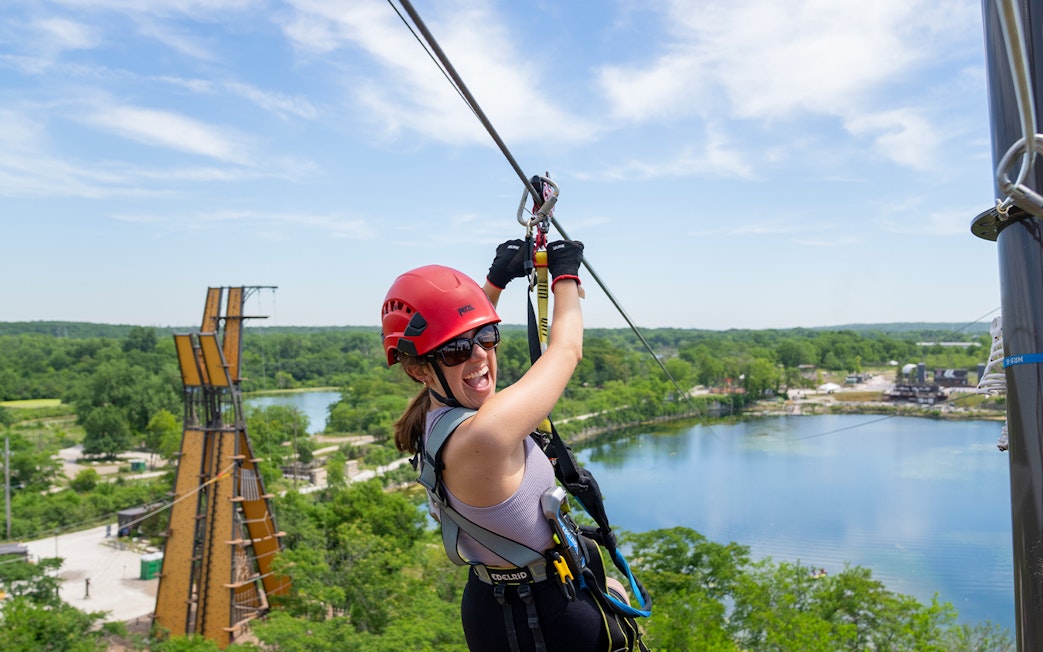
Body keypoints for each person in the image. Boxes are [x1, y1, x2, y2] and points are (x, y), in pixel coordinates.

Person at [383, 239, 631, 651]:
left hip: (502, 604)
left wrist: (494, 281)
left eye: (488, 335)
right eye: (459, 349)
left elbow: (456, 341)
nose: (480, 355)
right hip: (543, 618)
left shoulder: (434, 412)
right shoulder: (483, 435)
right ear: (418, 371)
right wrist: (565, 275)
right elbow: (567, 349)